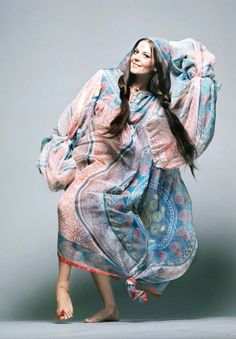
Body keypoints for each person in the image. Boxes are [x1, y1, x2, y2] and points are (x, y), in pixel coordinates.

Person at [37, 36, 221, 323]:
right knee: (72, 208)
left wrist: (186, 67)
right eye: (136, 51)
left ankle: (108, 306)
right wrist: (65, 153)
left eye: (146, 55)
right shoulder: (104, 80)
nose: (136, 57)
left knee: (91, 218)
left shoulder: (155, 108)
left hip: (122, 178)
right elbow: (74, 116)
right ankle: (65, 288)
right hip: (93, 165)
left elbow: (167, 141)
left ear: (156, 68)